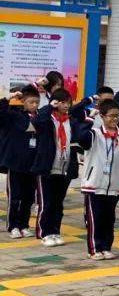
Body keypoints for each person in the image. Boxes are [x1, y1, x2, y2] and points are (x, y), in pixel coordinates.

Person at [71, 97, 119, 259]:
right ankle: (95, 248)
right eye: (110, 116)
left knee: (109, 219)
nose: (114, 119)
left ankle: (106, 247)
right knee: (96, 218)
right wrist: (88, 119)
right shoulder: (94, 134)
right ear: (102, 116)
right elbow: (80, 137)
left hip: (114, 185)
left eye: (117, 116)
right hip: (94, 184)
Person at [31, 89, 79, 245]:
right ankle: (44, 233)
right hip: (48, 167)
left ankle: (55, 231)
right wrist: (48, 107)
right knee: (47, 202)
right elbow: (35, 123)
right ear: (56, 102)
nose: (66, 105)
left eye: (68, 102)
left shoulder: (70, 120)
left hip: (64, 167)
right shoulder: (47, 119)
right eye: (63, 102)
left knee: (58, 203)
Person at [0, 86, 42, 238]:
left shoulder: (41, 117)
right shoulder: (14, 116)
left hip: (33, 165)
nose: (34, 105)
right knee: (15, 197)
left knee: (28, 197)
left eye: (37, 102)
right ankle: (13, 226)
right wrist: (8, 98)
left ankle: (24, 225)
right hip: (15, 164)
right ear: (23, 102)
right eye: (31, 102)